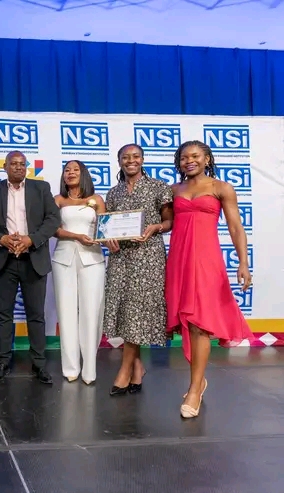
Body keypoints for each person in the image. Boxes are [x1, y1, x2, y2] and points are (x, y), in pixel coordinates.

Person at [166, 140, 252, 418]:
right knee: (187, 322)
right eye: (183, 157)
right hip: (179, 260)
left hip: (206, 260)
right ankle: (198, 380)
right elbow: (163, 223)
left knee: (200, 322)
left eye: (195, 156)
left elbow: (235, 227)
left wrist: (243, 262)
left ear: (207, 159)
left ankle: (194, 389)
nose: (189, 161)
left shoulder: (221, 188)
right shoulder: (173, 190)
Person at [0, 151, 60, 384]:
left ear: (27, 167)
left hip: (33, 258)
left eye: (22, 164)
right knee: (3, 315)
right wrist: (1, 239)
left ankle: (39, 364)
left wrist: (31, 240)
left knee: (36, 315)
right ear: (4, 167)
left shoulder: (41, 188)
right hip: (3, 259)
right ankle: (2, 362)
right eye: (13, 164)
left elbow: (53, 219)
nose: (18, 167)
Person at [103, 143, 173, 396]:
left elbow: (169, 221)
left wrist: (156, 228)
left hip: (148, 257)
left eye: (135, 156)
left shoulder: (159, 187)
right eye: (125, 157)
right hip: (120, 258)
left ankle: (124, 371)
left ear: (142, 160)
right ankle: (137, 367)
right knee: (125, 311)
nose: (131, 160)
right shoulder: (114, 192)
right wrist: (108, 239)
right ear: (119, 161)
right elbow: (107, 225)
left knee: (137, 311)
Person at [51, 160, 106, 385]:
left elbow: (105, 228)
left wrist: (110, 239)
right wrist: (76, 236)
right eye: (67, 170)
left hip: (92, 259)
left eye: (75, 170)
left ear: (83, 174)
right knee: (66, 313)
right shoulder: (57, 200)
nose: (71, 173)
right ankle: (70, 367)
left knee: (91, 313)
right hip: (63, 259)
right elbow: (53, 229)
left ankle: (90, 369)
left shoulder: (97, 200)